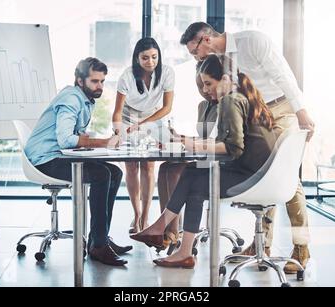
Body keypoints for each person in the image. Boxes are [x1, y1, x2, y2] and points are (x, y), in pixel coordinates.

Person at [179, 22, 314, 273]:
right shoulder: (222, 62)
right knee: (264, 172)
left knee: (285, 177)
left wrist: (301, 113)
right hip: (258, 115)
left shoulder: (252, 41)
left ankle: (301, 247)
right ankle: (263, 244)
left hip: (282, 108)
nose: (195, 58)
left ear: (205, 40)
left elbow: (284, 75)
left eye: (193, 52)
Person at [130, 54, 281, 268]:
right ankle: (176, 244)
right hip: (261, 175)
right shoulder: (243, 97)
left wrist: (188, 143)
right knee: (193, 174)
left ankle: (163, 232)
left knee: (194, 179)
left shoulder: (231, 100)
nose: (206, 89)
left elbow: (233, 148)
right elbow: (228, 142)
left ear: (226, 79)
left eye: (209, 83)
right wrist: (185, 140)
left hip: (253, 179)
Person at [24, 57, 132, 266]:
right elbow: (65, 140)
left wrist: (92, 142)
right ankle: (98, 246)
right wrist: (104, 143)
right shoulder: (72, 99)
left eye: (102, 81)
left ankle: (99, 238)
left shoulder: (85, 99)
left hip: (57, 155)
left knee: (115, 172)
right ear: (80, 81)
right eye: (94, 81)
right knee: (102, 175)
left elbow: (73, 136)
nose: (99, 86)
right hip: (45, 160)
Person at [112, 37, 175, 233]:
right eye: (145, 58)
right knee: (131, 166)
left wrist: (143, 124)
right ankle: (137, 214)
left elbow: (167, 108)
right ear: (137, 58)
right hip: (129, 117)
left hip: (153, 117)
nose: (150, 62)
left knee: (148, 166)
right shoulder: (127, 76)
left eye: (154, 57)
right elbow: (117, 110)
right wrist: (117, 130)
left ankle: (146, 217)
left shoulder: (167, 72)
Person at [157, 61, 218, 250]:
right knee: (166, 167)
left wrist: (184, 141)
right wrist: (178, 137)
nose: (204, 90)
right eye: (200, 86)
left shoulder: (225, 105)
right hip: (205, 154)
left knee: (177, 171)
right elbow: (203, 138)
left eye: (207, 85)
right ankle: (169, 229)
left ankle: (172, 232)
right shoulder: (203, 106)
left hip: (216, 161)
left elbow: (215, 141)